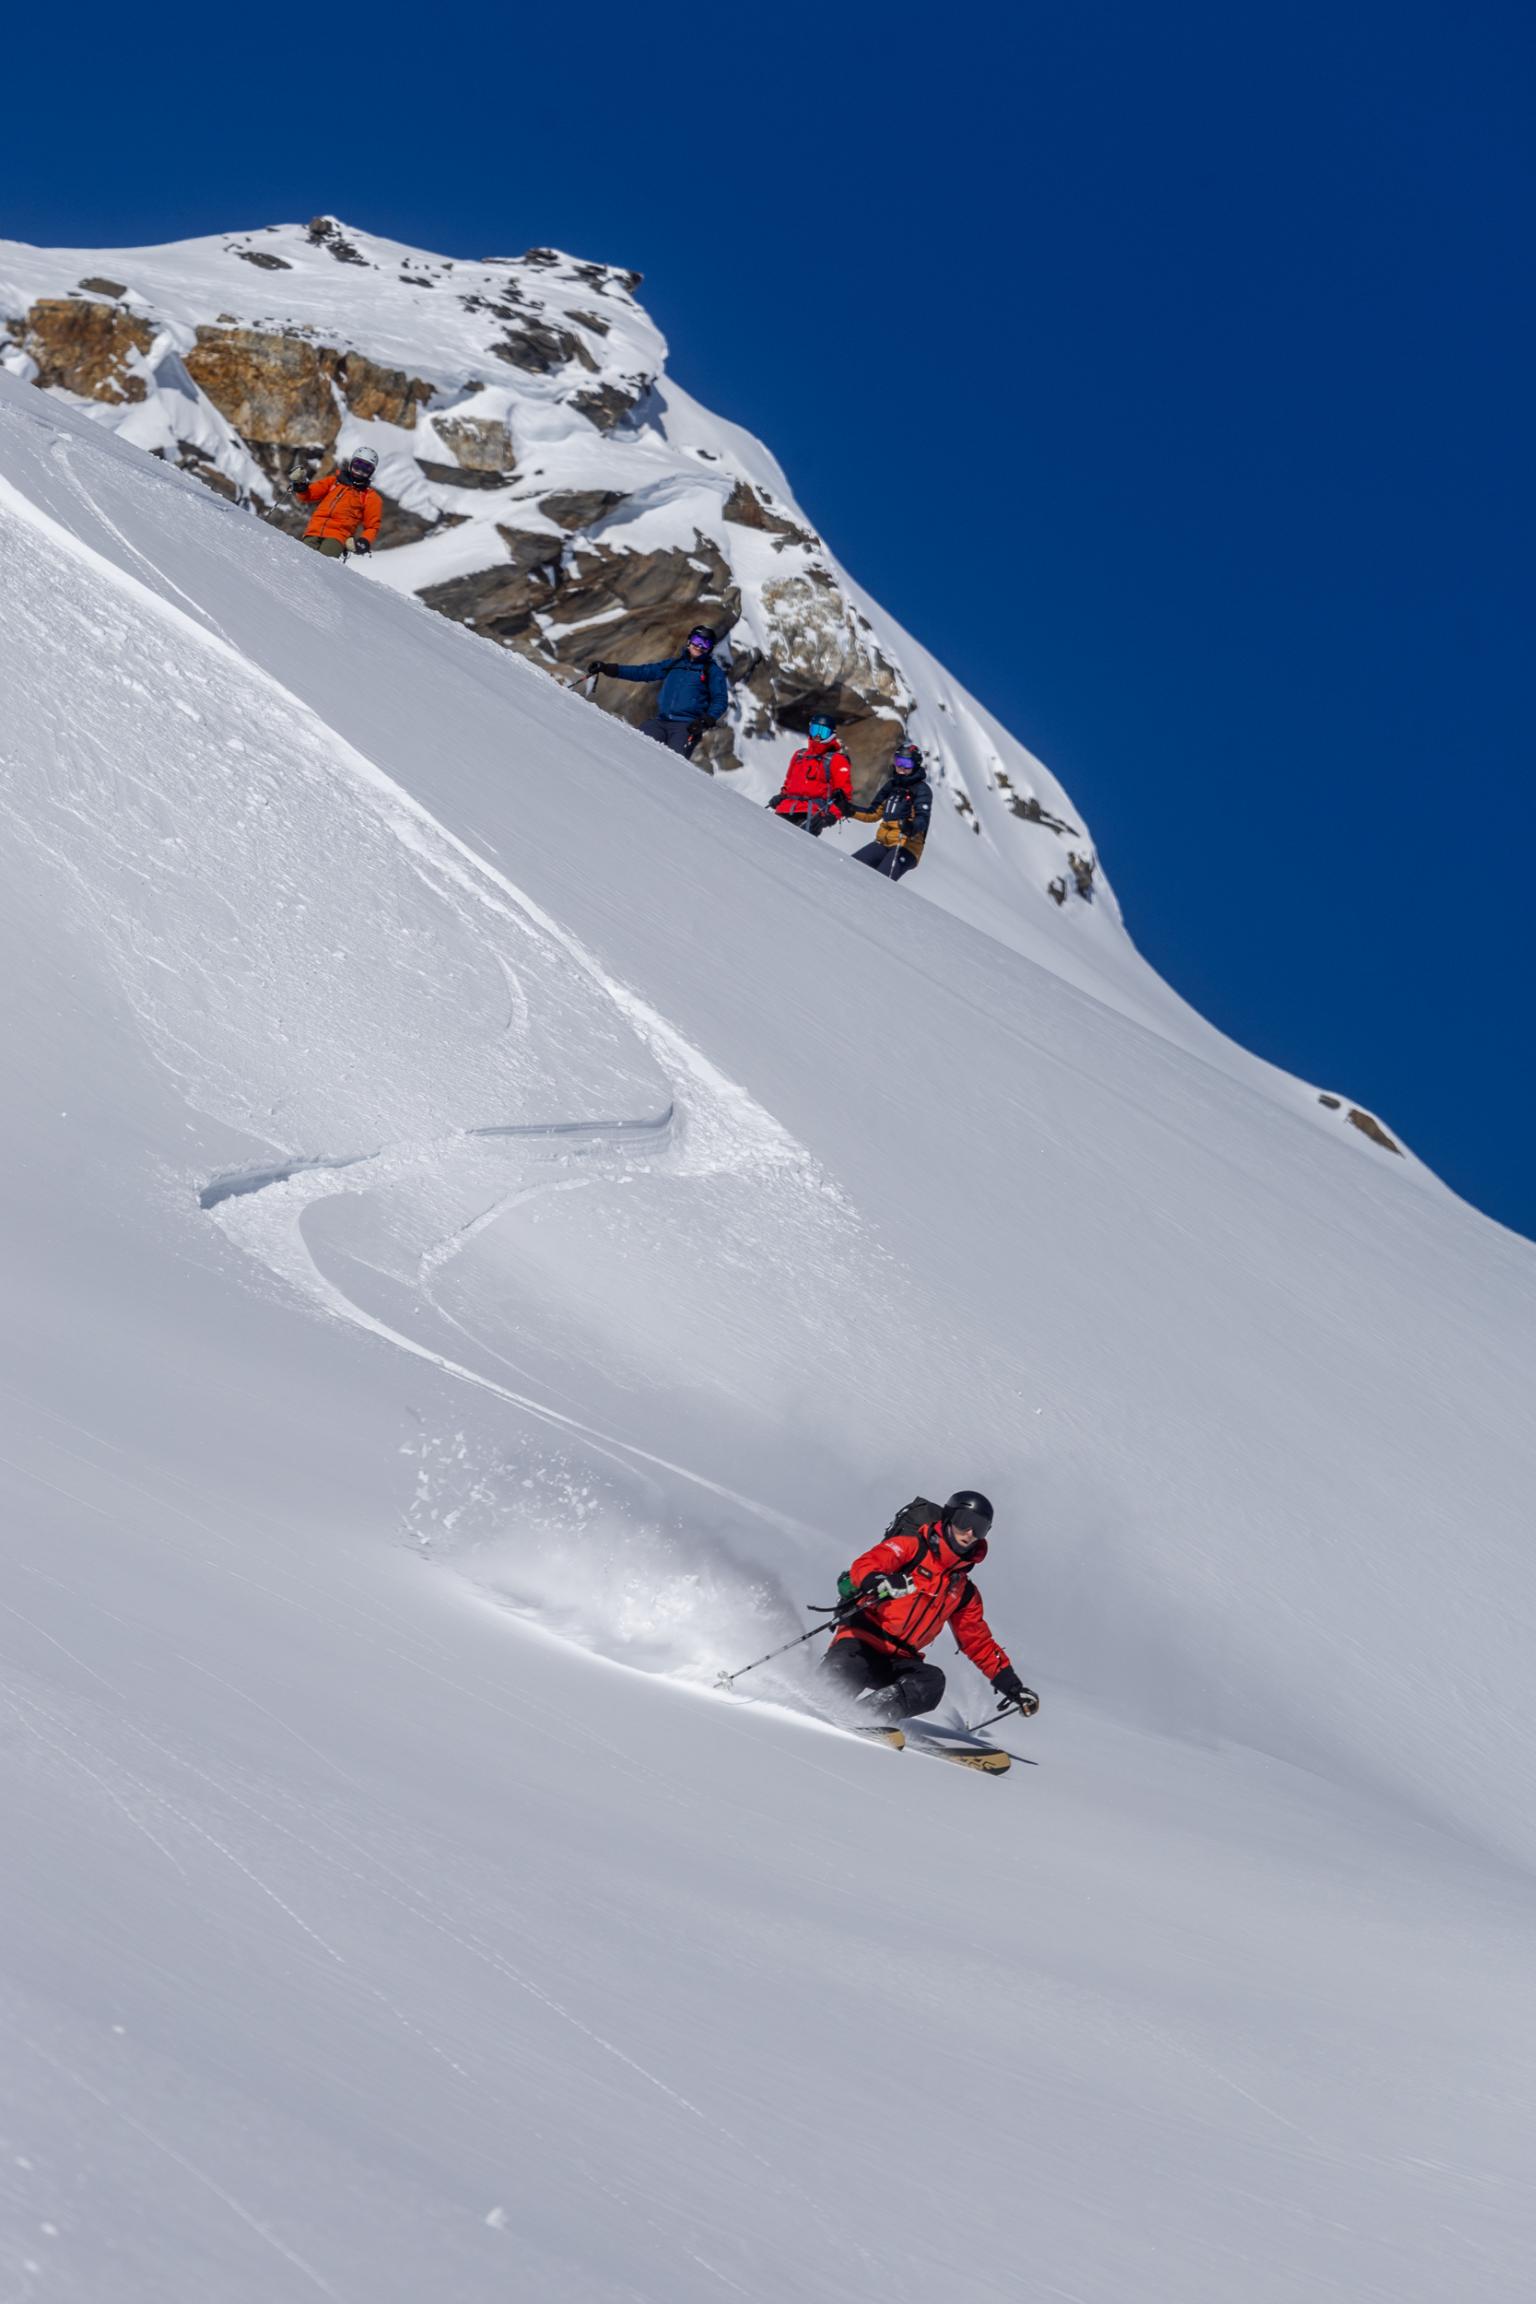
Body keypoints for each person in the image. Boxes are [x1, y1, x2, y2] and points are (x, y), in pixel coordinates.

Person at [820, 1491, 1037, 1725]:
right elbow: (867, 1563)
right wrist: (880, 1580)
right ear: (949, 1518)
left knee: (931, 1682)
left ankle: (870, 1718)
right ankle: (818, 1706)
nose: (970, 1533)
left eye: (980, 1528)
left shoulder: (963, 1591)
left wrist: (1013, 1687)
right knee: (840, 1680)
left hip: (899, 1660)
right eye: (964, 1522)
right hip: (861, 1643)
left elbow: (978, 1642)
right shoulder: (912, 1548)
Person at [589, 626, 728, 758]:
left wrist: (706, 720)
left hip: (686, 727)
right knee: (634, 747)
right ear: (689, 641)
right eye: (697, 640)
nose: (699, 646)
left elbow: (720, 699)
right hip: (661, 721)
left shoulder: (712, 671)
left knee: (673, 765)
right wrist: (607, 668)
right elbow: (643, 672)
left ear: (710, 648)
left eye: (705, 644)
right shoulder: (674, 664)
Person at [847, 737, 932, 881]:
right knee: (851, 866)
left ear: (916, 765)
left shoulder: (921, 790)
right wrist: (849, 809)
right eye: (899, 762)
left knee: (880, 880)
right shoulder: (892, 785)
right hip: (883, 842)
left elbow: (922, 818)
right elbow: (873, 813)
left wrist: (910, 827)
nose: (902, 768)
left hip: (906, 846)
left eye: (907, 764)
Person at [767, 714, 856, 834]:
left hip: (812, 814)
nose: (817, 736)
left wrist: (831, 815)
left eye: (823, 732)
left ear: (832, 734)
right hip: (785, 809)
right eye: (815, 730)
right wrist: (781, 797)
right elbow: (788, 783)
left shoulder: (837, 760)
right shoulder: (799, 755)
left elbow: (844, 795)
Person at [292, 446, 383, 559]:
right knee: (300, 560)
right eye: (358, 464)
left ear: (371, 472)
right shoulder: (334, 482)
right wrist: (301, 487)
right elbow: (308, 495)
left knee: (322, 563)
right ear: (351, 463)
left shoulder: (370, 497)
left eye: (366, 468)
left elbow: (372, 526)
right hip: (313, 531)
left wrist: (365, 541)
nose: (360, 470)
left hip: (337, 536)